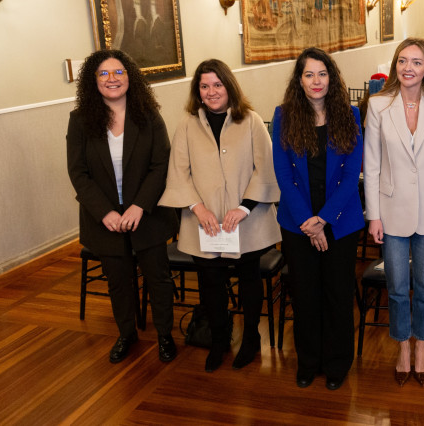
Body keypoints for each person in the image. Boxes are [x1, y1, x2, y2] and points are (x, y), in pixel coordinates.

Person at [158, 59, 281, 372]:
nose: (211, 91)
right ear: (197, 91)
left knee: (249, 280)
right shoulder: (186, 124)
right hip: (205, 221)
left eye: (217, 84)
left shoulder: (250, 120)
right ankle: (218, 338)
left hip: (246, 219)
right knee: (209, 282)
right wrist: (198, 208)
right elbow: (179, 171)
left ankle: (251, 338)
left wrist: (243, 208)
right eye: (204, 86)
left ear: (229, 87)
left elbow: (265, 168)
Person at [67, 50, 179, 364]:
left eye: (118, 72)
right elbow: (78, 173)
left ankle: (165, 335)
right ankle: (126, 334)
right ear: (94, 80)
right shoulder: (80, 120)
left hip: (148, 214)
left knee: (158, 277)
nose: (112, 79)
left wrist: (139, 206)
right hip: (103, 218)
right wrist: (105, 212)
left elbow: (161, 165)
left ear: (130, 77)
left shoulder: (149, 115)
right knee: (118, 281)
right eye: (103, 74)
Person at [363, 38, 424, 387]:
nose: (408, 68)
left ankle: (422, 346)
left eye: (416, 62)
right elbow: (371, 164)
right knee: (398, 287)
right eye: (402, 61)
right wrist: (373, 214)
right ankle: (403, 348)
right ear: (395, 66)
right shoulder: (378, 105)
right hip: (391, 210)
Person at [272, 47, 364, 391]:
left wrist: (323, 220)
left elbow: (352, 173)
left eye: (322, 74)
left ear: (332, 78)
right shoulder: (283, 116)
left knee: (338, 294)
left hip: (341, 222)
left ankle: (338, 363)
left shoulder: (350, 115)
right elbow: (284, 175)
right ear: (299, 80)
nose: (316, 81)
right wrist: (308, 223)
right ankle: (308, 362)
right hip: (297, 224)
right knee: (305, 295)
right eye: (308, 74)